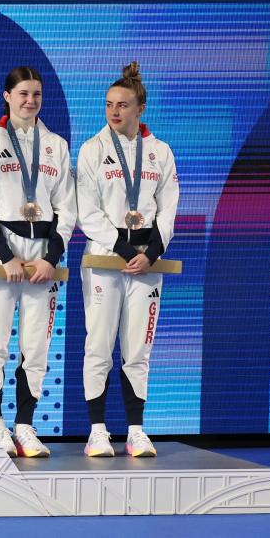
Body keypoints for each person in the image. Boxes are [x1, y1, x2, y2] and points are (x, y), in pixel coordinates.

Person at [0, 67, 77, 457]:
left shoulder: (56, 145)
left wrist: (51, 257)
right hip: (1, 253)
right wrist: (6, 255)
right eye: (23, 94)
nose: (30, 101)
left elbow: (67, 207)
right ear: (7, 96)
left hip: (42, 257)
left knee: (36, 345)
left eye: (37, 95)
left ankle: (25, 426)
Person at [77, 62, 179, 457]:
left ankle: (136, 430)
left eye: (122, 105)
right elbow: (88, 212)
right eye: (108, 104)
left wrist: (151, 253)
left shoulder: (160, 152)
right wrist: (124, 250)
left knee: (138, 349)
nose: (114, 111)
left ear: (140, 109)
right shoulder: (92, 149)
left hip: (148, 264)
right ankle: (97, 431)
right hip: (106, 258)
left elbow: (168, 209)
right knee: (99, 345)